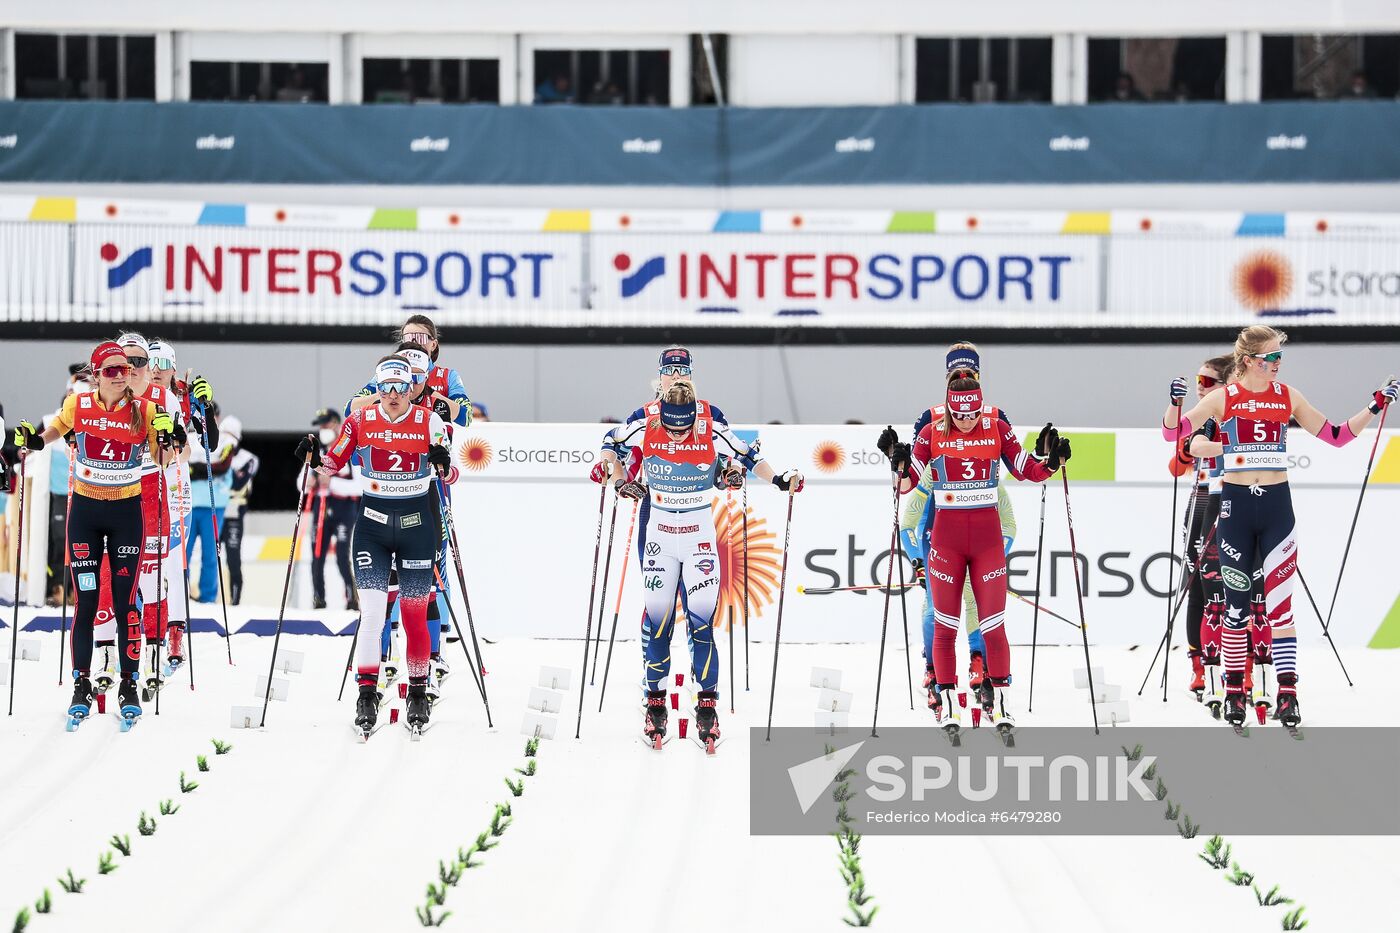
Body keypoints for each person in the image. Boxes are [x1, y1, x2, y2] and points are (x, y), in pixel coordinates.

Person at [1169, 325, 1397, 729]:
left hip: (1277, 512)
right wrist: (1176, 404)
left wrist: (1375, 407)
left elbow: (1337, 435)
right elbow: (1175, 434)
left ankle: (1287, 693)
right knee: (1236, 613)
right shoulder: (1224, 398)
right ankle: (1235, 691)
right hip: (1235, 513)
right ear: (1249, 361)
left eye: (1279, 357)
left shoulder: (1288, 396)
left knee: (1281, 611)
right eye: (1271, 357)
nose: (1277, 364)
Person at [595, 380, 804, 750]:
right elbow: (611, 443)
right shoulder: (647, 419)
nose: (677, 435)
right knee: (658, 625)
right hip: (659, 533)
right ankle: (655, 705)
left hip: (699, 538)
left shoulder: (709, 422)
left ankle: (707, 708)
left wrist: (781, 481)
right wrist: (612, 474)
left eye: (683, 428)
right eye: (671, 429)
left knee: (702, 624)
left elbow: (749, 455)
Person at [13, 341, 175, 727]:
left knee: (124, 604)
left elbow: (163, 460)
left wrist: (170, 437)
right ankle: (81, 684)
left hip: (126, 515)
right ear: (96, 373)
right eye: (112, 371)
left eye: (126, 370)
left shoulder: (146, 410)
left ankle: (129, 684)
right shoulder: (79, 403)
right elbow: (54, 432)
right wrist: (31, 440)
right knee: (86, 602)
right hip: (85, 513)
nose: (121, 376)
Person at [899, 378, 1069, 739]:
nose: (965, 421)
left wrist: (1052, 462)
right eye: (959, 415)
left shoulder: (997, 428)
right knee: (945, 627)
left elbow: (1028, 470)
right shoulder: (931, 433)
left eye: (972, 414)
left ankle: (1002, 702)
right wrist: (895, 461)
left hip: (988, 543)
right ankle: (947, 704)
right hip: (945, 544)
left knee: (993, 625)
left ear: (981, 406)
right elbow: (905, 483)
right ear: (949, 407)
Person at [304, 356, 455, 735]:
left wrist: (442, 460)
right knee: (372, 615)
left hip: (417, 526)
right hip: (371, 527)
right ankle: (366, 693)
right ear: (376, 386)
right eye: (385, 386)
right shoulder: (360, 420)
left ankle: (418, 691)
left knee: (413, 614)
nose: (392, 395)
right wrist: (311, 458)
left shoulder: (428, 420)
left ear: (411, 387)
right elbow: (332, 463)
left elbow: (450, 472)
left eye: (400, 387)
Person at [880, 341, 1017, 713]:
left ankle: (980, 662)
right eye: (956, 374)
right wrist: (897, 462)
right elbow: (914, 481)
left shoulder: (994, 416)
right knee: (935, 609)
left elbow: (1009, 465)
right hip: (939, 514)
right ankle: (933, 671)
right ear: (946, 378)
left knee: (978, 603)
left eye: (968, 373)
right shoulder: (930, 419)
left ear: (978, 376)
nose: (962, 378)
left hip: (980, 508)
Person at [1164, 353, 1233, 702]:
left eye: (1206, 382)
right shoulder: (1197, 417)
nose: (1199, 388)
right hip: (1203, 500)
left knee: (1237, 588)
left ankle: (1240, 666)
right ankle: (1199, 668)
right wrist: (1190, 451)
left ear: (1225, 385)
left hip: (1234, 500)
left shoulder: (1236, 411)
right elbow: (1175, 468)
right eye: (1197, 381)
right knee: (1197, 589)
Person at [305, 408, 356, 610]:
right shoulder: (318, 452)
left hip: (344, 507)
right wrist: (310, 481)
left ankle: (352, 599)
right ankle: (319, 598)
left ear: (336, 424)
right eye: (320, 425)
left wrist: (331, 483)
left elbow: (359, 487)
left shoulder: (351, 452)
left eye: (326, 424)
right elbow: (302, 482)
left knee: (343, 555)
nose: (323, 429)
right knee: (317, 554)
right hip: (322, 507)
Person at [187, 402, 234, 604]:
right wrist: (200, 470)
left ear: (218, 418)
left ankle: (207, 597)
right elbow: (180, 465)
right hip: (187, 505)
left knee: (210, 554)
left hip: (214, 506)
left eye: (211, 416)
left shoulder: (225, 441)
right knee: (183, 554)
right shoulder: (188, 437)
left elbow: (223, 465)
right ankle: (180, 595)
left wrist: (198, 469)